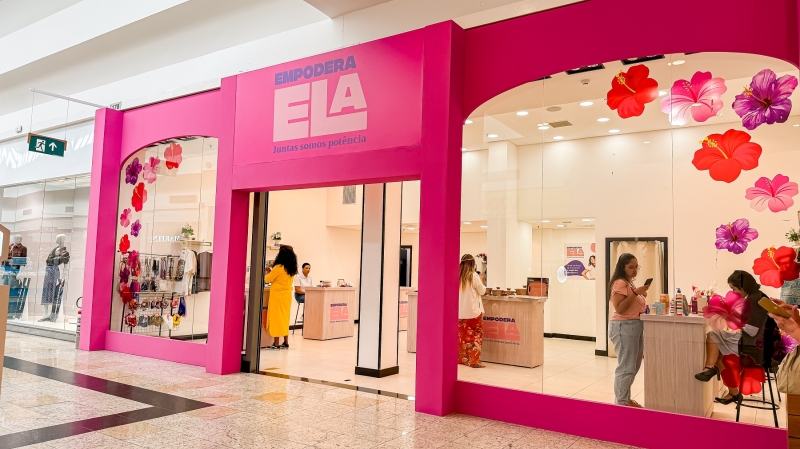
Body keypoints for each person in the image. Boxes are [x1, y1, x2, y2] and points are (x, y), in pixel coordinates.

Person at [695, 270, 772, 404]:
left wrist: (733, 319)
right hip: (757, 343)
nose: (734, 292)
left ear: (742, 287)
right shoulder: (757, 296)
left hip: (752, 345)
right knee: (719, 356)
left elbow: (752, 330)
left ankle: (710, 369)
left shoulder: (753, 301)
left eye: (734, 289)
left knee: (713, 335)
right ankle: (732, 392)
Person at [608, 253, 649, 407]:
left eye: (636, 267)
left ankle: (625, 398)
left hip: (634, 326)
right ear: (622, 267)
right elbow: (620, 308)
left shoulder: (629, 283)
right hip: (624, 326)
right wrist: (636, 293)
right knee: (626, 367)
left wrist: (638, 293)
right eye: (631, 267)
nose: (634, 270)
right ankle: (621, 403)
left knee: (633, 366)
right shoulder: (620, 283)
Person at [264, 245, 298, 349]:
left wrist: (267, 273)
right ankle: (286, 342)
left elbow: (267, 279)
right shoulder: (291, 268)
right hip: (287, 296)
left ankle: (276, 343)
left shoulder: (279, 267)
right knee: (284, 318)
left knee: (276, 318)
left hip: (277, 296)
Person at [458, 254, 486, 368]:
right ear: (472, 264)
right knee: (476, 336)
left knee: (462, 337)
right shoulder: (474, 276)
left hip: (459, 312)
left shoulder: (456, 275)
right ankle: (474, 361)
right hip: (473, 312)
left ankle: (462, 359)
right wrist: (481, 280)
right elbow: (482, 291)